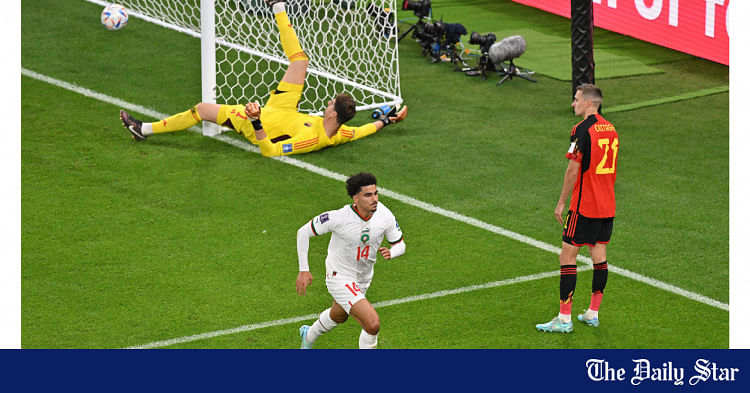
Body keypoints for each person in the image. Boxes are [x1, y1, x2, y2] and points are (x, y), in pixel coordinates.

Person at [119, 0, 407, 157]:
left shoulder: (311, 139)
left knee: (203, 109)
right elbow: (364, 130)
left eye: (330, 102)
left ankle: (143, 129)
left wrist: (255, 120)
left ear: (332, 113)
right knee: (301, 61)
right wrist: (386, 120)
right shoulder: (342, 131)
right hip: (284, 109)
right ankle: (278, 6)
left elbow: (269, 151)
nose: (327, 102)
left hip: (256, 121)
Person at [536, 84, 618, 333]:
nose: (573, 103)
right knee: (599, 255)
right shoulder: (611, 129)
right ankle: (593, 313)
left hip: (584, 207)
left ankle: (564, 318)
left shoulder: (581, 131)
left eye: (576, 99)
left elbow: (573, 169)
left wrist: (561, 201)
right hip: (607, 205)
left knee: (567, 256)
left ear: (588, 104)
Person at [295, 172, 405, 349]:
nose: (374, 199)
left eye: (375, 193)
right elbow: (303, 232)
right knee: (372, 323)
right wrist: (304, 269)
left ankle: (308, 335)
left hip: (363, 278)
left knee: (339, 316)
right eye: (368, 195)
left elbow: (400, 245)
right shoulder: (339, 217)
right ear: (355, 197)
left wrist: (392, 252)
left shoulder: (384, 215)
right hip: (339, 277)